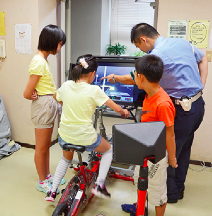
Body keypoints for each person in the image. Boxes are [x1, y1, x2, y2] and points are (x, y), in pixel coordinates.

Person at [103, 23, 208, 203]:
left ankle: (170, 195)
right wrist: (200, 86)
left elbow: (137, 78)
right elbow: (203, 58)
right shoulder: (182, 42)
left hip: (181, 110)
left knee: (167, 154)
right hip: (197, 105)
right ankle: (179, 189)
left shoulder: (156, 56)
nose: (142, 51)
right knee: (184, 149)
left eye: (139, 47)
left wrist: (115, 78)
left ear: (143, 39)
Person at [45, 54, 130, 202]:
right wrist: (124, 111)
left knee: (65, 159)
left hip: (64, 135)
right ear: (92, 74)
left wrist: (71, 105)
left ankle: (52, 192)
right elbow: (115, 107)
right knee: (108, 149)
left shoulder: (66, 85)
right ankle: (99, 185)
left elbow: (56, 97)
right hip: (85, 137)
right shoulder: (94, 90)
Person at [131, 54, 177, 216]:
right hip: (144, 148)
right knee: (139, 181)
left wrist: (172, 159)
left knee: (157, 191)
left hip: (157, 154)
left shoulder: (163, 103)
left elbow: (169, 135)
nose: (134, 76)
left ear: (141, 77)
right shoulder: (148, 95)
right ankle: (140, 208)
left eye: (134, 73)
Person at [23, 24, 66, 194]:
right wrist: (33, 95)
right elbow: (27, 93)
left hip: (48, 104)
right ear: (52, 41)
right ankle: (42, 181)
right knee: (41, 147)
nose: (60, 47)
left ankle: (48, 175)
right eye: (60, 44)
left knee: (47, 145)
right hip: (43, 106)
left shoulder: (43, 60)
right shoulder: (39, 62)